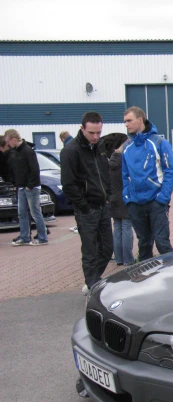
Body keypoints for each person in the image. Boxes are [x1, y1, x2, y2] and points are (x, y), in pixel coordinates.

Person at [61, 112, 114, 294]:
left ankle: (92, 280)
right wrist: (83, 205)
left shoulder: (99, 146)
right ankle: (92, 285)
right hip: (87, 208)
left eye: (99, 132)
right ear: (82, 128)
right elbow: (68, 184)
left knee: (108, 248)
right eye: (92, 132)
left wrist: (107, 194)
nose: (96, 136)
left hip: (102, 205)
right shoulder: (71, 151)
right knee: (90, 250)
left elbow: (104, 172)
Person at [121, 106, 173, 261]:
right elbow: (124, 175)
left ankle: (172, 278)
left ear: (140, 120)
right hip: (135, 203)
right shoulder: (127, 147)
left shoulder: (159, 143)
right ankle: (146, 281)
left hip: (156, 202)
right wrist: (127, 197)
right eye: (125, 121)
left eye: (129, 120)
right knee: (144, 244)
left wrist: (162, 198)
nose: (126, 124)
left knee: (162, 243)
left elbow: (171, 172)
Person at [5, 129, 48, 246]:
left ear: (13, 139)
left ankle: (43, 237)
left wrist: (30, 185)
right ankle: (25, 237)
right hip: (21, 186)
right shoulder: (15, 152)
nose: (8, 144)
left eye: (8, 141)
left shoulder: (28, 151)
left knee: (35, 212)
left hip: (31, 187)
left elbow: (34, 169)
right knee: (22, 213)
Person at [107, 137, 135, 266]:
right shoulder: (125, 161)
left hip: (113, 197)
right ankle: (128, 259)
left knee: (117, 229)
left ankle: (119, 258)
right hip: (124, 196)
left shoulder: (111, 161)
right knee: (127, 228)